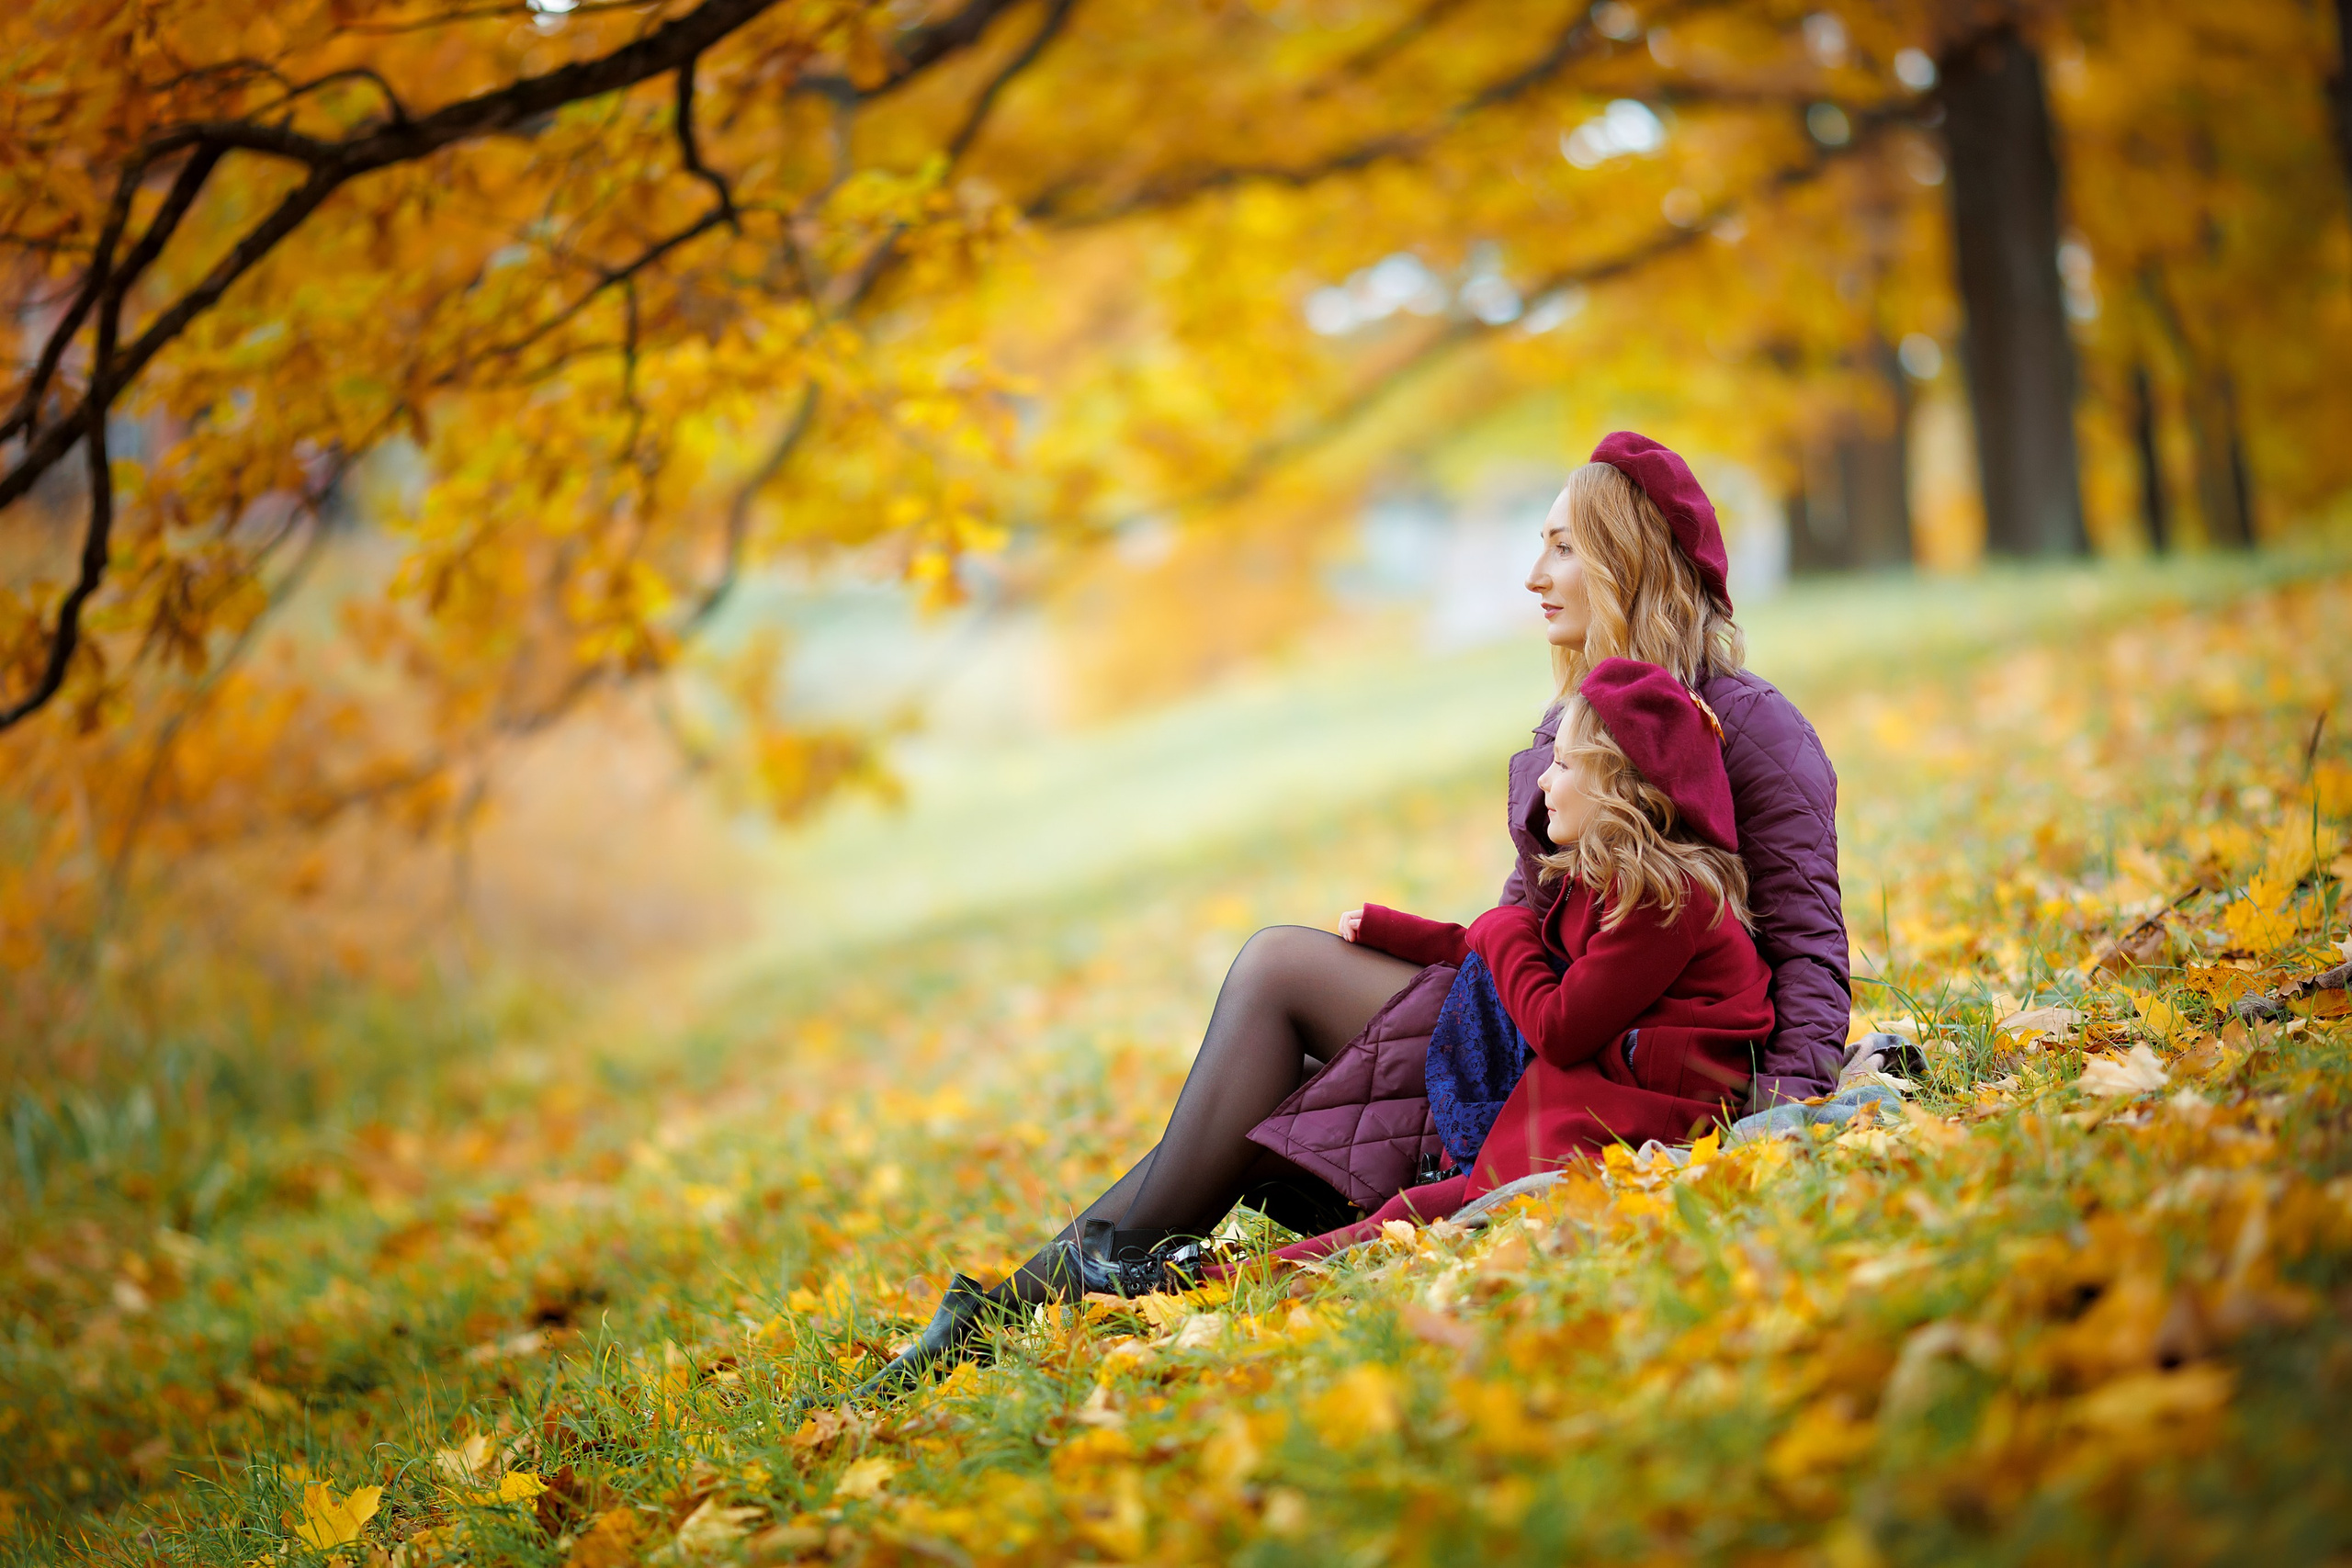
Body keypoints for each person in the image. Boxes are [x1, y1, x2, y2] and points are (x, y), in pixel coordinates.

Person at [855, 433, 1846, 1391]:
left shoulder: (1752, 726)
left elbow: (1807, 944)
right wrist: (1415, 937)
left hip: (1606, 1067)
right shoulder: (1571, 727)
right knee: (1256, 1066)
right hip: (1532, 1030)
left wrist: (1782, 1107)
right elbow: (1517, 918)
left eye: (1560, 546)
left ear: (1627, 560)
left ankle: (1027, 1306)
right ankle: (1019, 1308)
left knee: (1277, 970)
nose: (1534, 575)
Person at [1219, 657, 1773, 1268]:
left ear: (1621, 786)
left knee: (1437, 1203)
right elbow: (1506, 948)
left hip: (1647, 1103)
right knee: (1311, 1089)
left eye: (1563, 764)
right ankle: (1170, 1255)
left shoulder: (1667, 899)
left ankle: (1257, 1271)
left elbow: (1558, 1025)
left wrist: (1502, 928)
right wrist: (1394, 930)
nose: (1542, 781)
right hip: (1603, 1077)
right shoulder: (1602, 876)